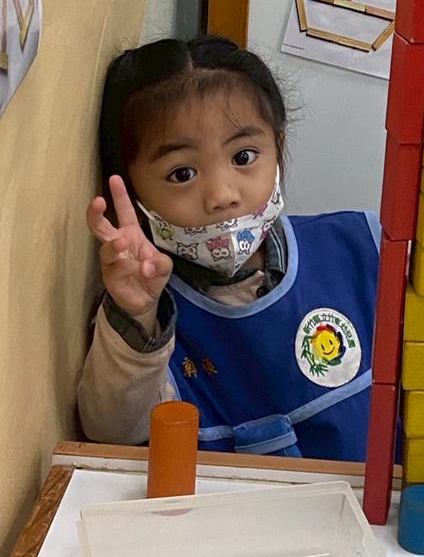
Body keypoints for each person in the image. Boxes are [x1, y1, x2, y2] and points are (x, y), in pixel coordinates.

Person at [77, 35, 381, 459]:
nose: (222, 194)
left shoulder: (364, 247)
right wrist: (137, 314)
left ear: (278, 147)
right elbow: (110, 433)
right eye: (182, 174)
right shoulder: (144, 315)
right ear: (130, 189)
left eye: (243, 157)